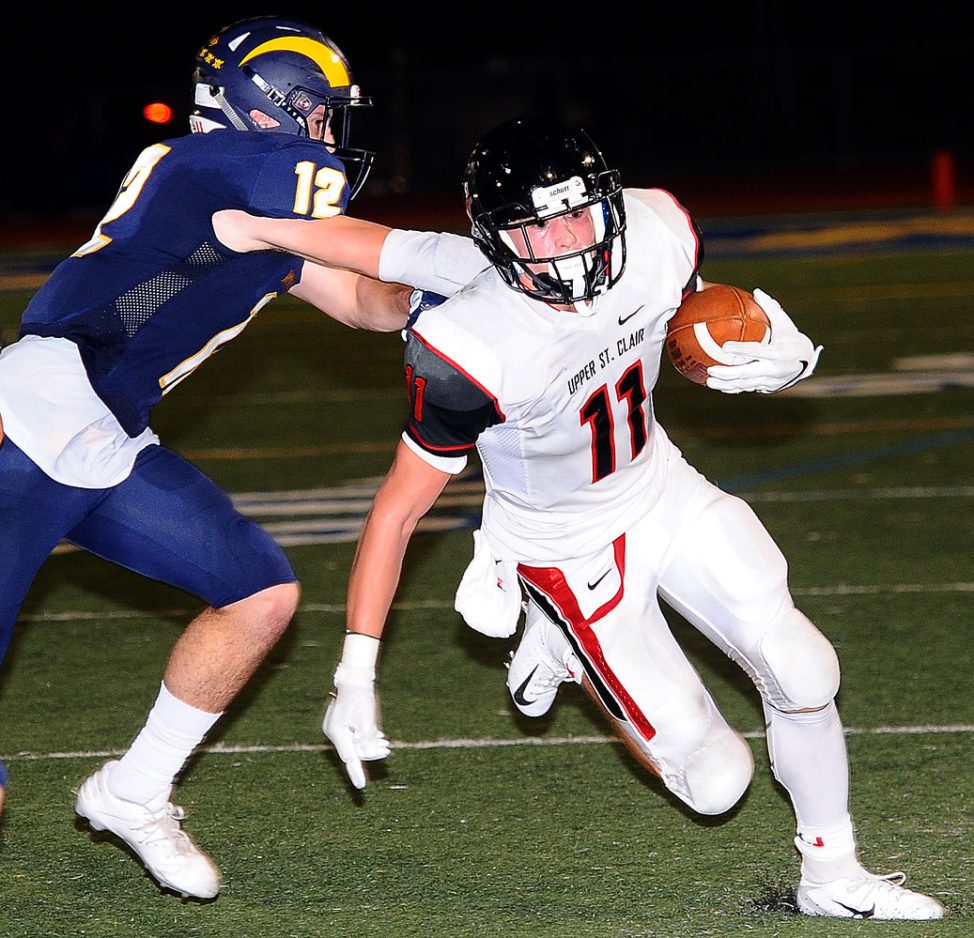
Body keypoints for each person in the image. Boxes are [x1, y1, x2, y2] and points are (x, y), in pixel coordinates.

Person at [214, 116, 945, 920]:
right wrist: (355, 673)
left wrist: (777, 352)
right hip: (562, 545)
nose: (566, 243)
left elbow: (690, 318)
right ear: (496, 239)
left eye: (578, 214)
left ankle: (832, 874)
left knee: (805, 671)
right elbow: (395, 511)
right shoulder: (469, 340)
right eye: (537, 228)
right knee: (715, 784)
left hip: (660, 486)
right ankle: (562, 643)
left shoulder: (654, 228)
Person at [0, 15, 421, 900]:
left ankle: (134, 792)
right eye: (317, 109)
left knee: (260, 595)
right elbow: (331, 205)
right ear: (264, 106)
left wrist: (451, 286)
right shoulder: (215, 167)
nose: (328, 130)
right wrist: (459, 256)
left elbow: (367, 303)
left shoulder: (259, 212)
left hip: (105, 429)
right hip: (30, 419)